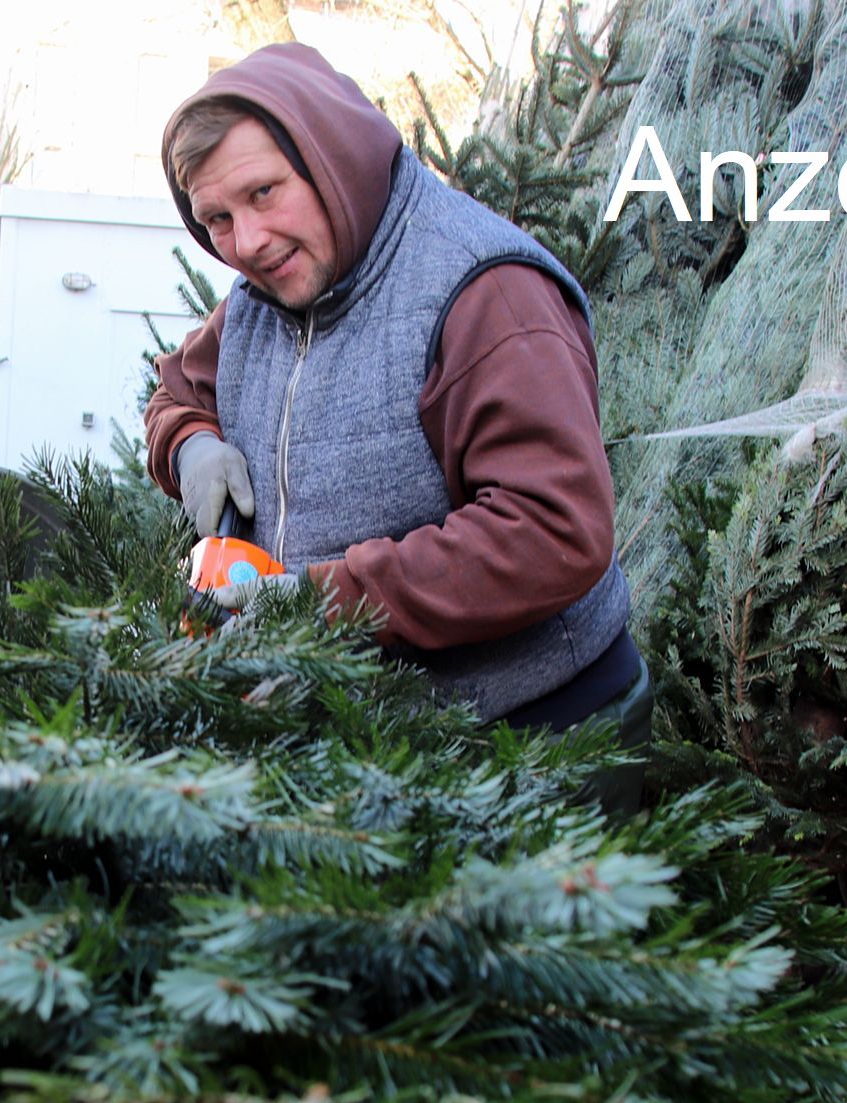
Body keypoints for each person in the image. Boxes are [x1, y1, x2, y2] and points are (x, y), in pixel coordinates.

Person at [144, 43, 649, 786]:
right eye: (215, 217)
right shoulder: (265, 294)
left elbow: (555, 529)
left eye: (263, 194)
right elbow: (177, 392)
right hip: (369, 742)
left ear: (329, 159)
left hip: (528, 739)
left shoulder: (484, 292)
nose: (245, 242)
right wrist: (189, 443)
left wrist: (317, 601)